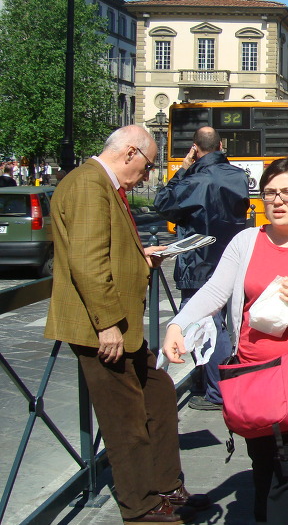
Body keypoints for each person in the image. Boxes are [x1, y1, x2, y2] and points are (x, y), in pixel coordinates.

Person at [162, 158, 288, 524]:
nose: (278, 200)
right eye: (270, 192)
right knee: (265, 472)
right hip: (253, 380)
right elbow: (216, 290)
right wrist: (179, 325)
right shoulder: (246, 242)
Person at [44, 125, 210, 524]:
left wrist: (142, 255)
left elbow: (104, 248)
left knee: (159, 393)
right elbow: (87, 261)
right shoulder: (89, 184)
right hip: (101, 327)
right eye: (149, 165)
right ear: (130, 153)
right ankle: (142, 507)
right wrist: (107, 325)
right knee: (125, 420)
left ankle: (166, 486)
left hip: (120, 325)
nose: (147, 174)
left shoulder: (100, 183)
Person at [153, 126, 250, 411]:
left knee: (207, 324)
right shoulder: (238, 176)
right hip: (233, 257)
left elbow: (162, 202)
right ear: (221, 146)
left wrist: (183, 168)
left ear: (195, 149)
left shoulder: (193, 180)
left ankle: (218, 391)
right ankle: (221, 381)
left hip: (198, 261)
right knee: (228, 323)